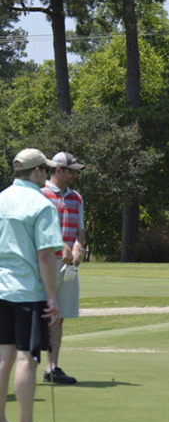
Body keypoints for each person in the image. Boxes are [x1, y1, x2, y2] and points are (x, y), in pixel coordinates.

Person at [0, 148, 64, 422]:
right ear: (37, 172)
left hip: (1, 290)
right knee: (27, 358)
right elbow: (46, 256)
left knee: (3, 357)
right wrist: (53, 298)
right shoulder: (41, 204)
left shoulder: (1, 199)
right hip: (28, 293)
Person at [41, 151, 86, 384]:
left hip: (68, 266)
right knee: (36, 313)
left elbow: (80, 230)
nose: (74, 176)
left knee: (59, 317)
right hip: (44, 264)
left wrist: (79, 248)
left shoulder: (76, 198)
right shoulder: (40, 195)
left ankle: (52, 367)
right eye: (71, 171)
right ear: (59, 170)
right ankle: (25, 363)